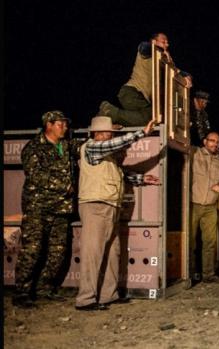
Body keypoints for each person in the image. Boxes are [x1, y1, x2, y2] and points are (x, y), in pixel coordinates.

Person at [76, 117, 160, 311]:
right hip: (95, 206)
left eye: (111, 133)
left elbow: (120, 174)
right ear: (96, 134)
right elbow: (116, 144)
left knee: (113, 252)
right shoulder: (91, 148)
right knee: (93, 253)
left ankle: (108, 295)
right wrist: (142, 133)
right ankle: (86, 299)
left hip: (110, 206)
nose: (110, 136)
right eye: (107, 133)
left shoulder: (108, 157)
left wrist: (141, 178)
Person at [12, 111, 83, 309]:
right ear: (49, 125)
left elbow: (87, 147)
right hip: (38, 209)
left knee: (57, 253)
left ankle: (44, 289)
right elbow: (36, 175)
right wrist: (64, 186)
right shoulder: (33, 148)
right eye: (61, 124)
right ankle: (21, 293)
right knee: (32, 251)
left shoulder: (67, 146)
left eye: (66, 124)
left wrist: (104, 133)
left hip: (61, 210)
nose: (65, 127)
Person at [99, 32, 192, 126]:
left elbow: (177, 71)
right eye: (163, 42)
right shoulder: (147, 53)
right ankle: (110, 111)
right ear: (154, 42)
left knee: (154, 117)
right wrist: (159, 50)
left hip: (142, 97)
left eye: (167, 43)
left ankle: (114, 118)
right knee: (151, 117)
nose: (167, 45)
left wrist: (187, 77)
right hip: (131, 92)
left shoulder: (163, 59)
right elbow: (143, 47)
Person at [190, 131, 219, 283]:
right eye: (212, 141)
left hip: (210, 208)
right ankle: (190, 274)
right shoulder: (194, 153)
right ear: (205, 141)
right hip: (193, 205)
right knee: (190, 241)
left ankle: (208, 274)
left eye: (217, 142)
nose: (215, 144)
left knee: (209, 242)